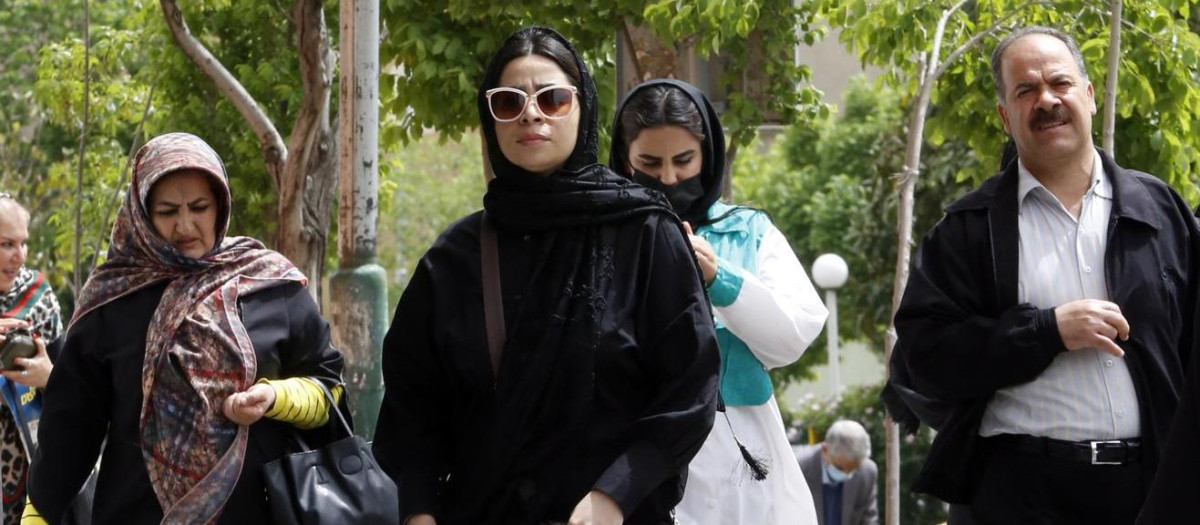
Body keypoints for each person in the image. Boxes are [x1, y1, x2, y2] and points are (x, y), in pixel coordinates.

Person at [372, 28, 720, 525]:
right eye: (509, 102)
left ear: (584, 108)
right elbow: (413, 407)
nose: (531, 114)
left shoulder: (645, 234)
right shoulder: (454, 258)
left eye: (552, 99)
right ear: (489, 119)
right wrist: (420, 511)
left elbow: (690, 388)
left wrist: (615, 494)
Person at [893, 26, 1200, 525]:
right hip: (1020, 493)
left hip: (1150, 490)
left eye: (1059, 82)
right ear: (1004, 117)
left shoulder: (1161, 211)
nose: (1046, 100)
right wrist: (1046, 331)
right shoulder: (968, 230)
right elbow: (925, 359)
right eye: (1025, 91)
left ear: (1090, 96)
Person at [25, 133, 347, 524]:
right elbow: (71, 427)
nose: (184, 225)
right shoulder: (111, 302)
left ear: (220, 206)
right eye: (166, 211)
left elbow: (329, 386)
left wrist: (274, 397)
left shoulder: (268, 284)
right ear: (141, 213)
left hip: (257, 511)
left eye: (199, 207)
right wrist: (37, 514)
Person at [610, 79, 826, 525]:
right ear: (623, 160)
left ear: (708, 158)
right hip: (639, 458)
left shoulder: (748, 231)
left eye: (684, 161)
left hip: (744, 459)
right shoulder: (606, 239)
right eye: (650, 162)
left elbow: (792, 337)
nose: (668, 179)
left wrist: (720, 279)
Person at [0, 194, 62, 525]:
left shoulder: (38, 295)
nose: (19, 256)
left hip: (32, 464)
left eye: (23, 243)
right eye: (6, 244)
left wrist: (48, 376)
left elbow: (75, 386)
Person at [795, 421, 879, 525]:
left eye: (853, 469)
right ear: (825, 450)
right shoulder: (798, 468)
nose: (848, 474)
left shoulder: (867, 471)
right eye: (840, 468)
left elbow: (869, 519)